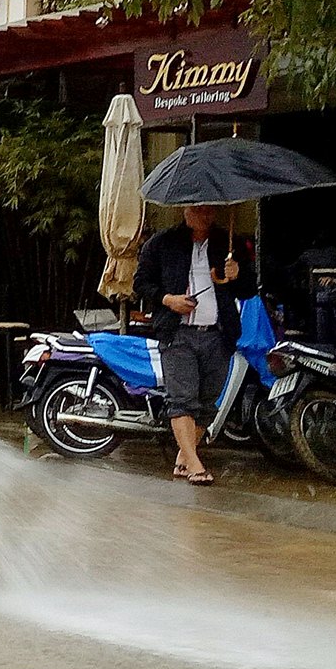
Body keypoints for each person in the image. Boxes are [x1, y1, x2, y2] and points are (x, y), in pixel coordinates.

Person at [133, 203, 257, 486]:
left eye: (210, 210)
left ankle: (184, 458)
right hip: (178, 333)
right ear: (185, 210)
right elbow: (141, 283)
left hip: (219, 333)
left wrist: (237, 274)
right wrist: (168, 300)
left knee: (207, 402)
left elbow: (249, 289)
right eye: (199, 209)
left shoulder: (229, 243)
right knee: (182, 399)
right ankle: (196, 465)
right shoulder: (162, 243)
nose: (206, 215)